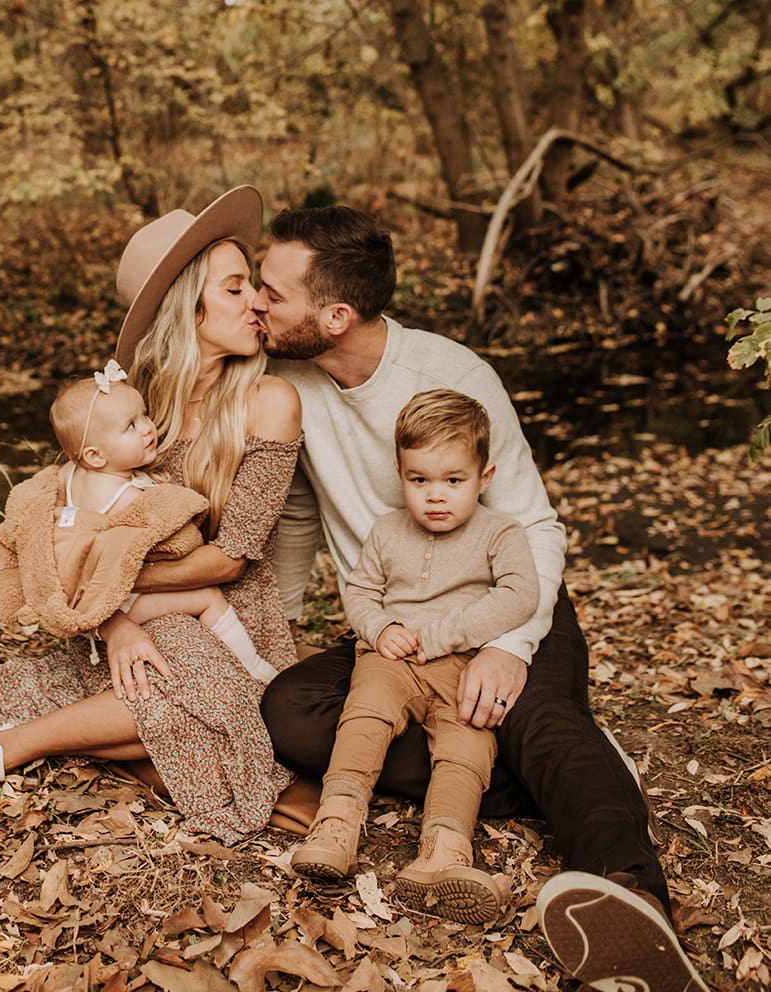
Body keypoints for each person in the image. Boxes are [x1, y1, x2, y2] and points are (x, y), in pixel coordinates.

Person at [256, 205, 710, 992]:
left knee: (536, 720)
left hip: (504, 597)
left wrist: (510, 644)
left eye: (269, 291)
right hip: (401, 626)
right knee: (290, 711)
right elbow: (298, 512)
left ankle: (634, 900)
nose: (256, 303)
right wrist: (282, 620)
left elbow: (534, 522)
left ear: (333, 315)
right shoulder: (285, 382)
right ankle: (530, 778)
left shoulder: (452, 375)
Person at [0, 186, 303, 844]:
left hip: (223, 605)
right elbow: (73, 514)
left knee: (223, 704)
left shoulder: (268, 401)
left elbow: (233, 557)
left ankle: (2, 747)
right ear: (185, 307)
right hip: (127, 603)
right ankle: (50, 732)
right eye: (234, 288)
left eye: (251, 286)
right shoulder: (138, 403)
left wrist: (115, 590)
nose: (256, 301)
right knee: (164, 694)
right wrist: (110, 621)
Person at [293, 388, 539, 925]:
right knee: (366, 714)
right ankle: (337, 822)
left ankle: (444, 851)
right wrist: (380, 628)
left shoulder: (501, 532)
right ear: (400, 472)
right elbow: (360, 593)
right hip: (393, 657)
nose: (435, 496)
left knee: (465, 746)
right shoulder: (386, 530)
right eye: (419, 480)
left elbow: (520, 593)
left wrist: (448, 635)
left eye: (454, 481)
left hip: (464, 666)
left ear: (485, 477)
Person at [0, 364, 276, 682]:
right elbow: (172, 535)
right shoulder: (131, 495)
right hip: (118, 602)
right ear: (96, 456)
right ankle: (253, 669)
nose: (148, 429)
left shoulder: (66, 476)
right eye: (131, 426)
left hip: (77, 598)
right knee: (209, 597)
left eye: (144, 416)